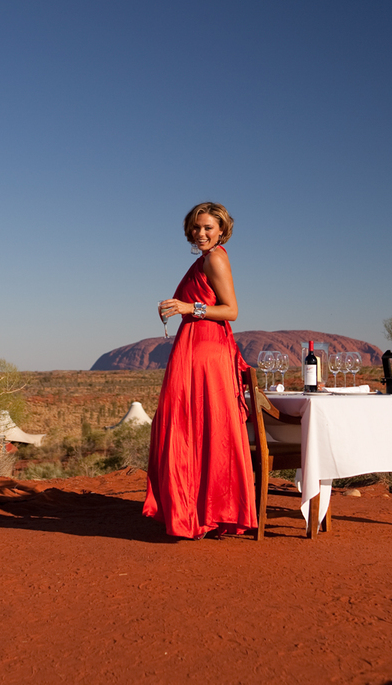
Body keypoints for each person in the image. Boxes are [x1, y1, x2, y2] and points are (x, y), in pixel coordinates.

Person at [143, 202, 257, 539]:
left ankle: (207, 512)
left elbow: (232, 310)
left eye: (208, 227)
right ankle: (196, 511)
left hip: (207, 349)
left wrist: (186, 306)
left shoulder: (216, 257)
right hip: (194, 345)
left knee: (198, 424)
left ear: (221, 230)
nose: (201, 233)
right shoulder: (203, 260)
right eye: (196, 227)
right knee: (192, 424)